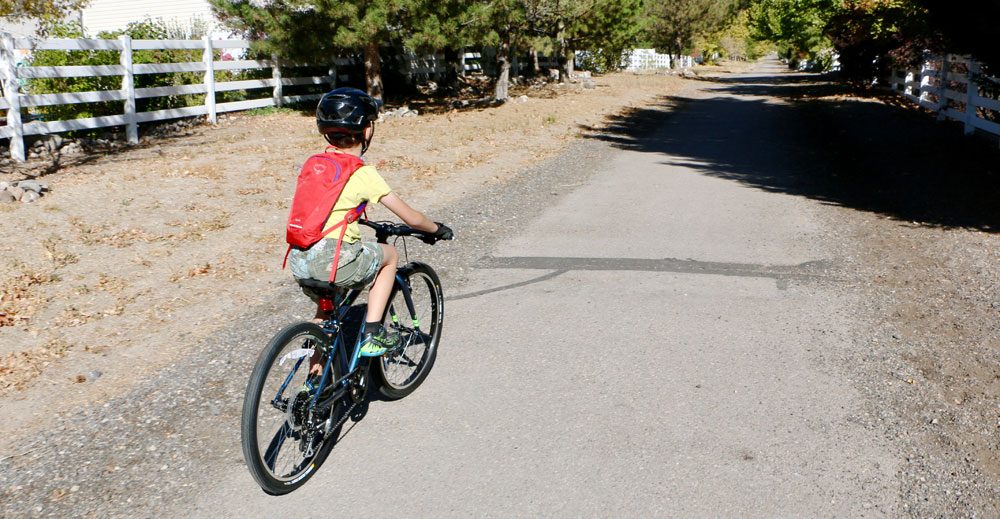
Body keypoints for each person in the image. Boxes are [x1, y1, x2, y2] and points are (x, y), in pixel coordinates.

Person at [287, 88, 453, 360]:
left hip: (301, 258)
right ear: (365, 130)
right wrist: (436, 229)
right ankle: (373, 334)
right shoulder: (361, 171)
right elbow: (410, 218)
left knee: (325, 318)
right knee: (390, 256)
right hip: (333, 260)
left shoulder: (315, 164)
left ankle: (312, 386)